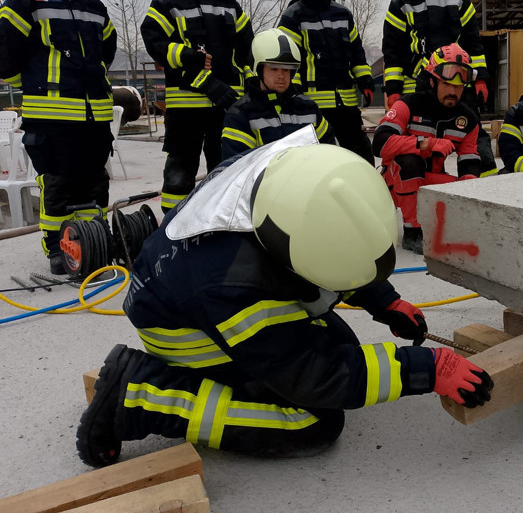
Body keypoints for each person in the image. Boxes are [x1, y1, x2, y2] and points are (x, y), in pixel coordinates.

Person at [76, 141, 493, 467]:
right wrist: (426, 370)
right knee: (315, 421)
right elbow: (314, 378)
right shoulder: (235, 288)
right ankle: (143, 396)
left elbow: (333, 235)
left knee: (340, 344)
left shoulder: (292, 170)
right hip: (187, 333)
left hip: (191, 287)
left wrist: (385, 301)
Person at [0, 0, 117, 274]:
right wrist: (36, 81)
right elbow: (5, 57)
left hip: (94, 114)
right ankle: (57, 248)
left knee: (95, 184)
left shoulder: (95, 6)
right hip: (50, 115)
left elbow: (107, 50)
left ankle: (89, 241)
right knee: (58, 185)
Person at [141, 0, 253, 212]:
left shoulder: (230, 5)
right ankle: (173, 230)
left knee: (227, 168)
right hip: (186, 106)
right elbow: (156, 43)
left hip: (227, 102)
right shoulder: (166, 2)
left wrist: (250, 84)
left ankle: (221, 224)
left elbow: (247, 50)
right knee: (179, 173)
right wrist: (185, 55)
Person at [382, 0, 496, 177]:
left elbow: (473, 43)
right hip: (419, 90)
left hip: (458, 85)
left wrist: (481, 78)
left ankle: (485, 199)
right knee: (419, 157)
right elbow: (393, 52)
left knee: (480, 152)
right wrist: (393, 91)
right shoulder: (402, 1)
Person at [372, 44, 481, 254]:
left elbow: (469, 159)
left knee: (467, 184)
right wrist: (425, 144)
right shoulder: (408, 105)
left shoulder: (468, 119)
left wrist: (468, 191)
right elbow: (380, 143)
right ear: (432, 81)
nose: (452, 92)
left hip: (430, 182)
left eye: (458, 87)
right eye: (447, 85)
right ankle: (412, 232)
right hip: (394, 184)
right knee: (409, 161)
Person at [278, 0, 375, 165]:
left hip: (347, 103)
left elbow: (357, 53)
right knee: (317, 162)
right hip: (313, 106)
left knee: (362, 157)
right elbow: (287, 61)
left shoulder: (343, 14)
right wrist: (292, 97)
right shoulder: (292, 17)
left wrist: (365, 79)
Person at [221, 28, 335, 160]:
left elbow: (329, 154)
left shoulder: (309, 109)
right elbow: (238, 167)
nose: (281, 76)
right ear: (259, 70)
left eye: (287, 70)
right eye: (274, 68)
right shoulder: (240, 115)